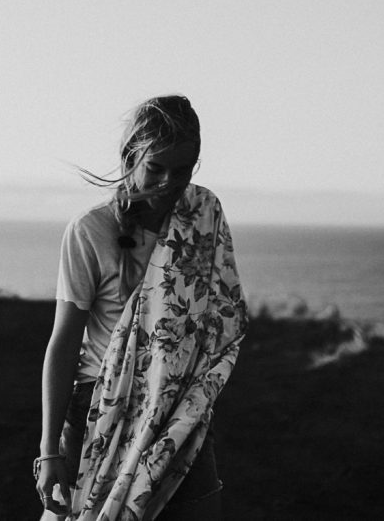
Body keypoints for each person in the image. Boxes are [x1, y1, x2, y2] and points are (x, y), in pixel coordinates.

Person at [35, 95, 248, 521]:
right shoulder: (91, 230)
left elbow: (221, 310)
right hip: (99, 406)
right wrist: (48, 450)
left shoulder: (202, 214)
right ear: (131, 156)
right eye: (155, 167)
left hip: (178, 407)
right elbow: (64, 340)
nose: (169, 182)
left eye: (182, 170)